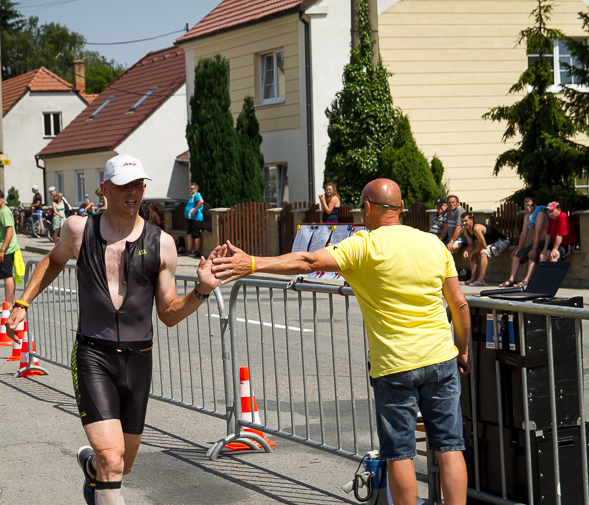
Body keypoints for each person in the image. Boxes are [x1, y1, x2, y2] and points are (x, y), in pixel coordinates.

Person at [211, 178, 471, 505]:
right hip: (440, 358)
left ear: (366, 208)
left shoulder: (364, 245)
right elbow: (460, 304)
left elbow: (308, 261)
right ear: (402, 208)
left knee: (400, 453)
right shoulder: (432, 243)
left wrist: (251, 263)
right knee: (450, 447)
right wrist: (461, 351)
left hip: (395, 365)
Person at [5, 154, 221, 505]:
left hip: (138, 361)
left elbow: (168, 313)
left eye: (138, 184)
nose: (133, 192)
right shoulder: (79, 230)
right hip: (93, 354)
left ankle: (92, 471)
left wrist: (202, 291)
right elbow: (52, 261)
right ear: (104, 189)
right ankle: (101, 469)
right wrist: (22, 303)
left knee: (123, 465)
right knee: (112, 459)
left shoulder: (161, 243)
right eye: (124, 185)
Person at [499, 197, 548, 287]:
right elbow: (523, 233)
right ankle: (512, 279)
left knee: (532, 256)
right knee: (516, 256)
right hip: (535, 243)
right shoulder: (527, 216)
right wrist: (519, 248)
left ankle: (527, 280)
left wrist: (533, 249)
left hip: (544, 242)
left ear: (534, 206)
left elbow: (538, 232)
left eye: (529, 206)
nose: (527, 208)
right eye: (525, 206)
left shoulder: (540, 214)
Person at [0, 190, 19, 312]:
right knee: (7, 276)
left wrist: (1, 251)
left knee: (7, 276)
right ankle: (11, 303)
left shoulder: (5, 212)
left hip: (5, 251)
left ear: (3, 199)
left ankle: (9, 304)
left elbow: (9, 232)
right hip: (0, 251)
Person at [460, 212, 509, 286]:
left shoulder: (476, 228)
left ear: (471, 220)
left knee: (483, 253)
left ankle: (481, 280)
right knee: (472, 253)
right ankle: (472, 279)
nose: (464, 223)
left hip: (501, 241)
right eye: (462, 221)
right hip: (490, 244)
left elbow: (483, 245)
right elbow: (471, 245)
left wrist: (472, 252)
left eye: (466, 221)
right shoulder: (465, 230)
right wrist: (467, 251)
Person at [185, 183, 204, 258]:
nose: (190, 190)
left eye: (192, 188)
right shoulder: (192, 196)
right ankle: (189, 250)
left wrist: (195, 211)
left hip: (196, 218)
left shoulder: (197, 195)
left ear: (196, 189)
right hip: (190, 218)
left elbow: (201, 201)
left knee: (196, 235)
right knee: (189, 234)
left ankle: (197, 251)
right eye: (190, 188)